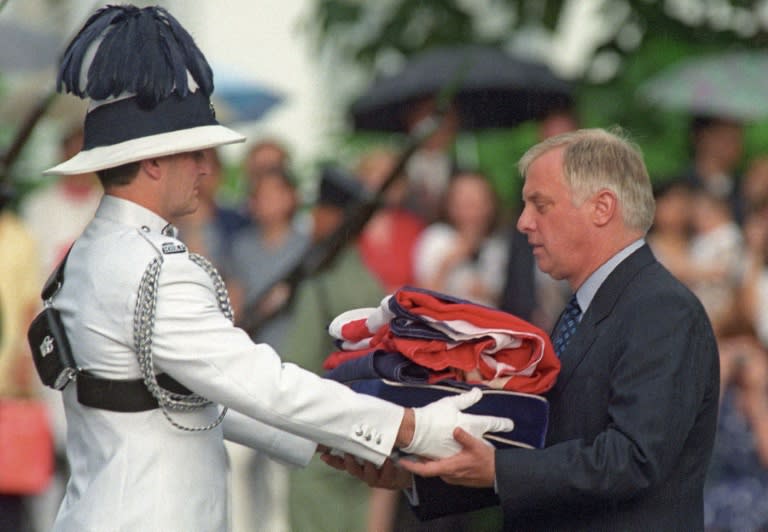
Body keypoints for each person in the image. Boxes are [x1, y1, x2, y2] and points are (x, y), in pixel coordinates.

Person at [33, 6, 513, 531]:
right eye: (195, 154)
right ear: (153, 162)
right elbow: (261, 382)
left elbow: (179, 393)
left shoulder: (92, 253)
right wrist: (411, 427)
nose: (205, 169)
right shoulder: (157, 269)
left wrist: (326, 439)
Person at [325, 127, 720, 531]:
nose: (522, 222)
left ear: (602, 208)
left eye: (540, 204)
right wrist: (417, 477)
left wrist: (500, 467)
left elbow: (633, 459)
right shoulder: (589, 307)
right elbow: (549, 452)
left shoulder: (661, 309)